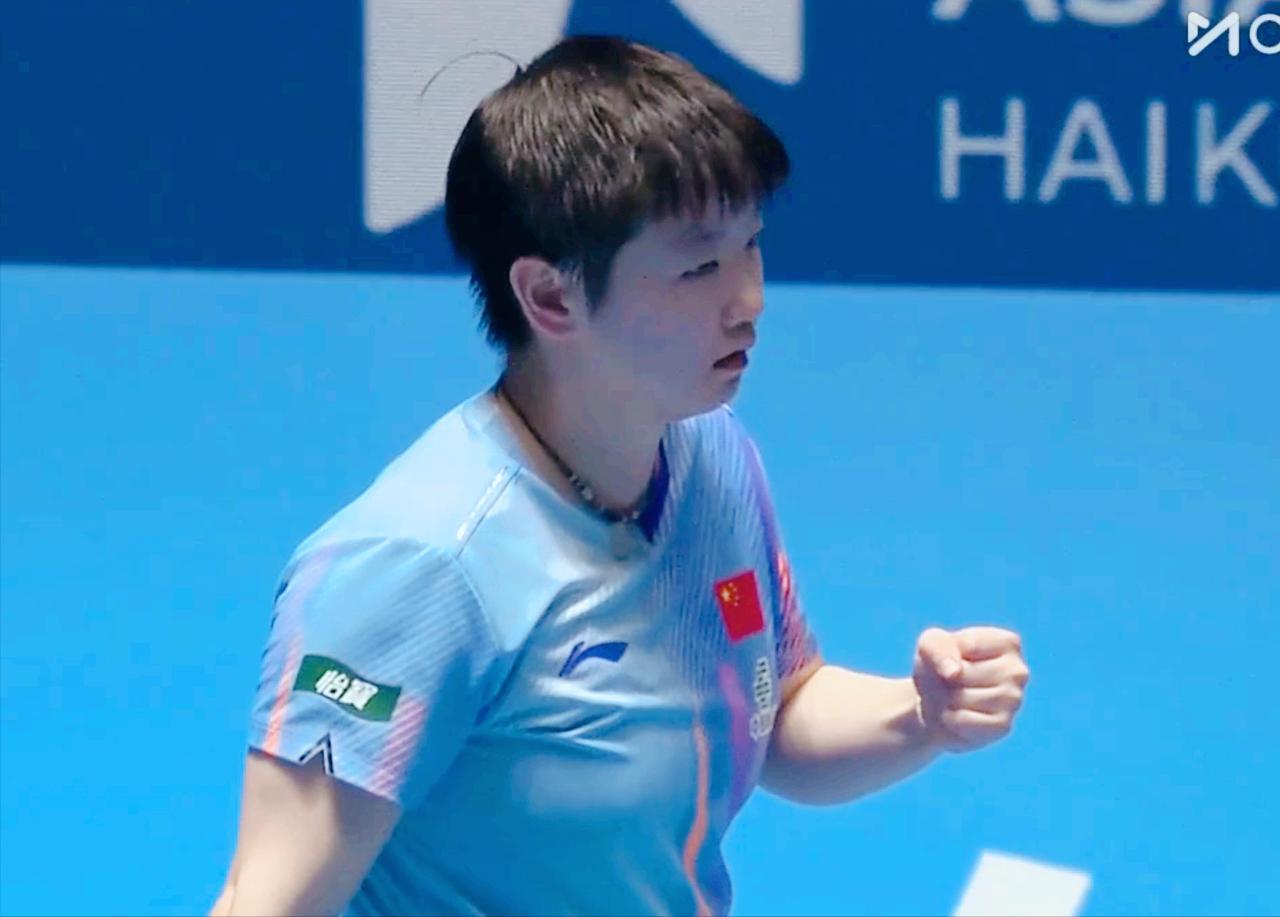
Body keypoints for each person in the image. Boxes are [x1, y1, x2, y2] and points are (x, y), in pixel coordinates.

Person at [210, 34, 1030, 917]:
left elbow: (780, 710)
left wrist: (922, 713)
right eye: (698, 266)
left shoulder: (710, 456)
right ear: (550, 297)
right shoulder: (421, 570)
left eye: (751, 246)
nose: (749, 300)